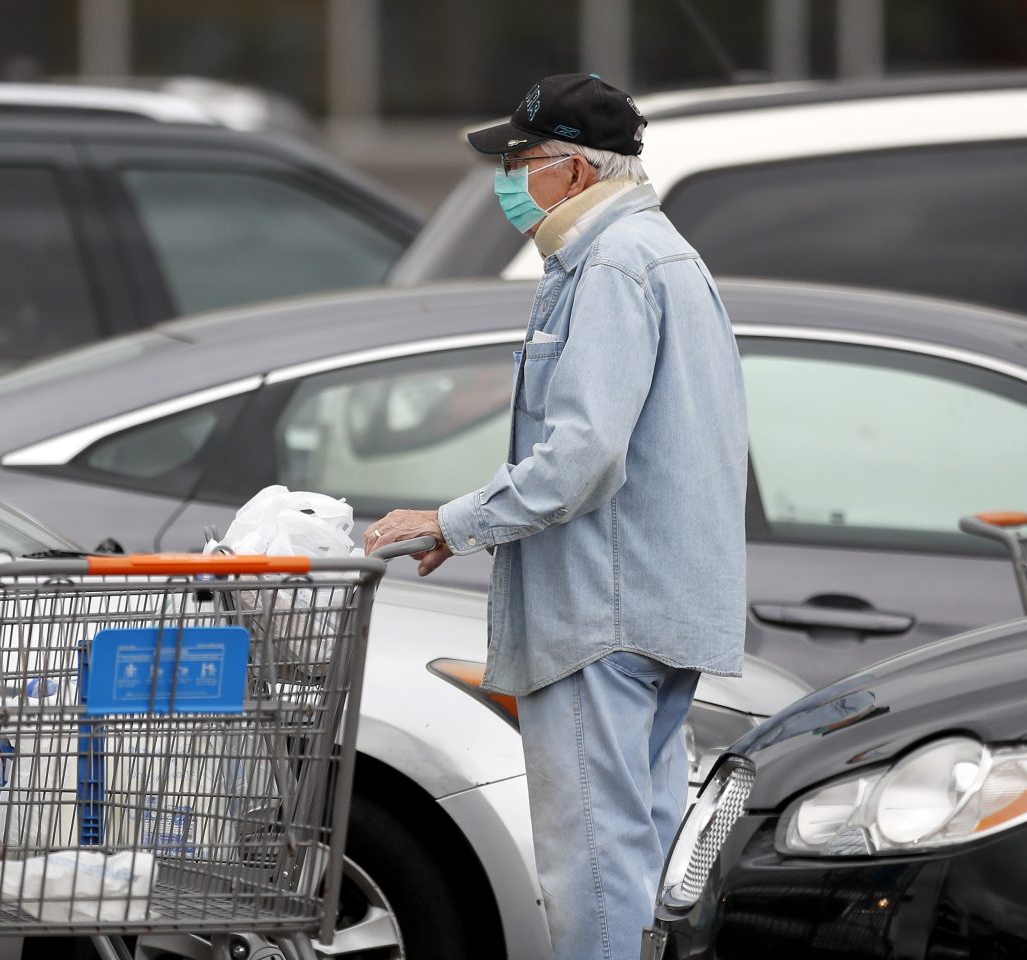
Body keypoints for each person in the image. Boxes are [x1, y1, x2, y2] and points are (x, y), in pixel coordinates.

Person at [363, 73, 747, 959]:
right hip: (653, 605)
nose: (507, 179)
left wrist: (453, 521)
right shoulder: (660, 253)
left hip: (599, 615)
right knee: (641, 852)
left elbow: (581, 456)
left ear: (573, 172)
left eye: (520, 160)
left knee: (595, 865)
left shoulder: (609, 266)